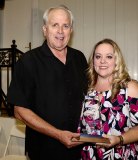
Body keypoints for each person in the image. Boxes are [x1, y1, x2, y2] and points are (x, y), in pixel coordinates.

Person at [7, 5, 88, 160]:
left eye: (65, 26)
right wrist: (58, 134)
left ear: (71, 30)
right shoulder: (28, 61)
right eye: (54, 25)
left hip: (80, 149)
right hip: (44, 151)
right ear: (45, 29)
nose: (60, 31)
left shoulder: (80, 58)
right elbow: (19, 111)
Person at [77, 38, 138, 159]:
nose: (102, 61)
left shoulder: (130, 87)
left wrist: (119, 139)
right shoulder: (87, 88)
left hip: (121, 155)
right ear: (93, 61)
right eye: (98, 57)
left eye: (109, 57)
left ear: (116, 61)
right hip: (89, 155)